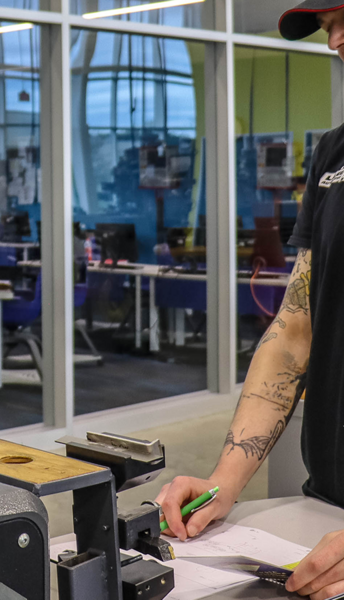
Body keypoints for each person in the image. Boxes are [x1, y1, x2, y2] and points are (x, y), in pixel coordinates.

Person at [155, 3, 344, 597]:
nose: (335, 38)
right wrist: (224, 481)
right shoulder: (333, 155)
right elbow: (294, 331)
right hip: (329, 506)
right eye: (327, 25)